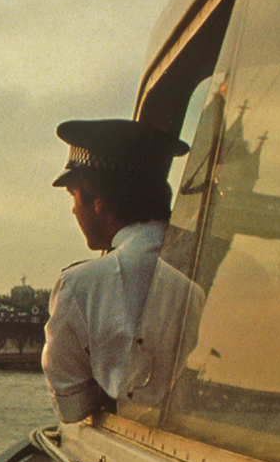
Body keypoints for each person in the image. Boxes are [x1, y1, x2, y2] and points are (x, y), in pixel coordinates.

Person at [41, 118, 195, 422]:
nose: (73, 209)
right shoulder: (222, 262)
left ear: (97, 199)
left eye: (73, 194)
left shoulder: (80, 286)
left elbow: (71, 410)